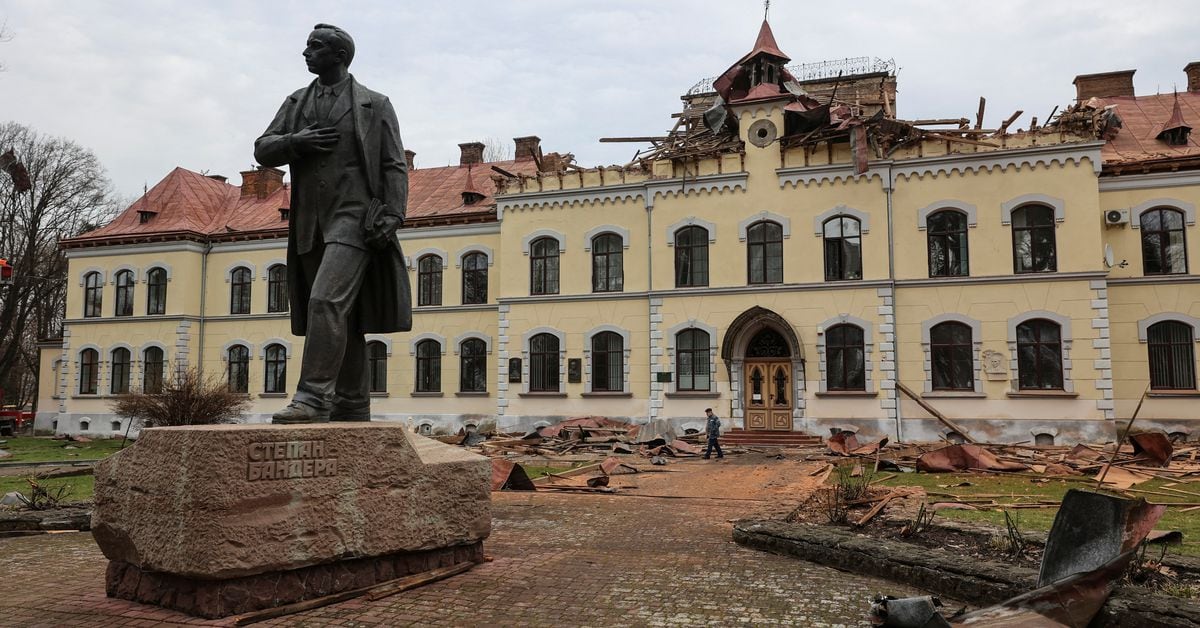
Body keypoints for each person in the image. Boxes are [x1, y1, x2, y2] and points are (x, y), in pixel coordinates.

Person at [254, 24, 411, 423]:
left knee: (325, 301)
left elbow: (393, 163)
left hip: (355, 220)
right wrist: (296, 142)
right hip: (310, 222)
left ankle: (312, 398)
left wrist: (393, 214)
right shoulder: (297, 102)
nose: (306, 52)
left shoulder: (375, 104)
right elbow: (263, 150)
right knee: (345, 314)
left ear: (339, 55)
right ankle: (352, 403)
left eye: (315, 46)